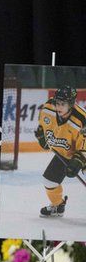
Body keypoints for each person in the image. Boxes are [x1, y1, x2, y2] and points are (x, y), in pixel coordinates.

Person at [34, 86, 86, 217]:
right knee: (49, 181)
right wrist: (41, 136)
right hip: (65, 152)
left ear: (72, 104)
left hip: (82, 152)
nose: (59, 107)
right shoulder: (48, 108)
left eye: (63, 104)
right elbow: (42, 126)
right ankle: (58, 206)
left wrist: (78, 162)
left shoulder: (82, 120)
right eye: (57, 103)